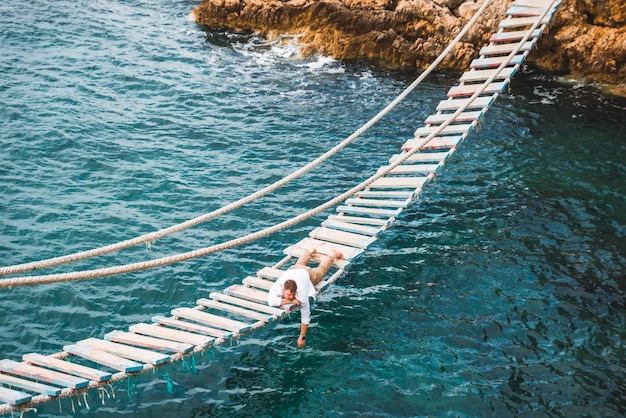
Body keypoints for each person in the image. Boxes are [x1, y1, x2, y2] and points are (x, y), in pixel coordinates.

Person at [267, 248, 344, 348]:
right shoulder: (277, 288)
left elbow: (306, 315)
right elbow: (271, 302)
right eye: (288, 295)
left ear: (296, 291)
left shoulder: (301, 293)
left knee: (321, 271)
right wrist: (292, 300)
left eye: (292, 295)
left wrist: (302, 337)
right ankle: (309, 252)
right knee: (300, 264)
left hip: (308, 273)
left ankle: (332, 255)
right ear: (283, 290)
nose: (290, 297)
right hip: (295, 268)